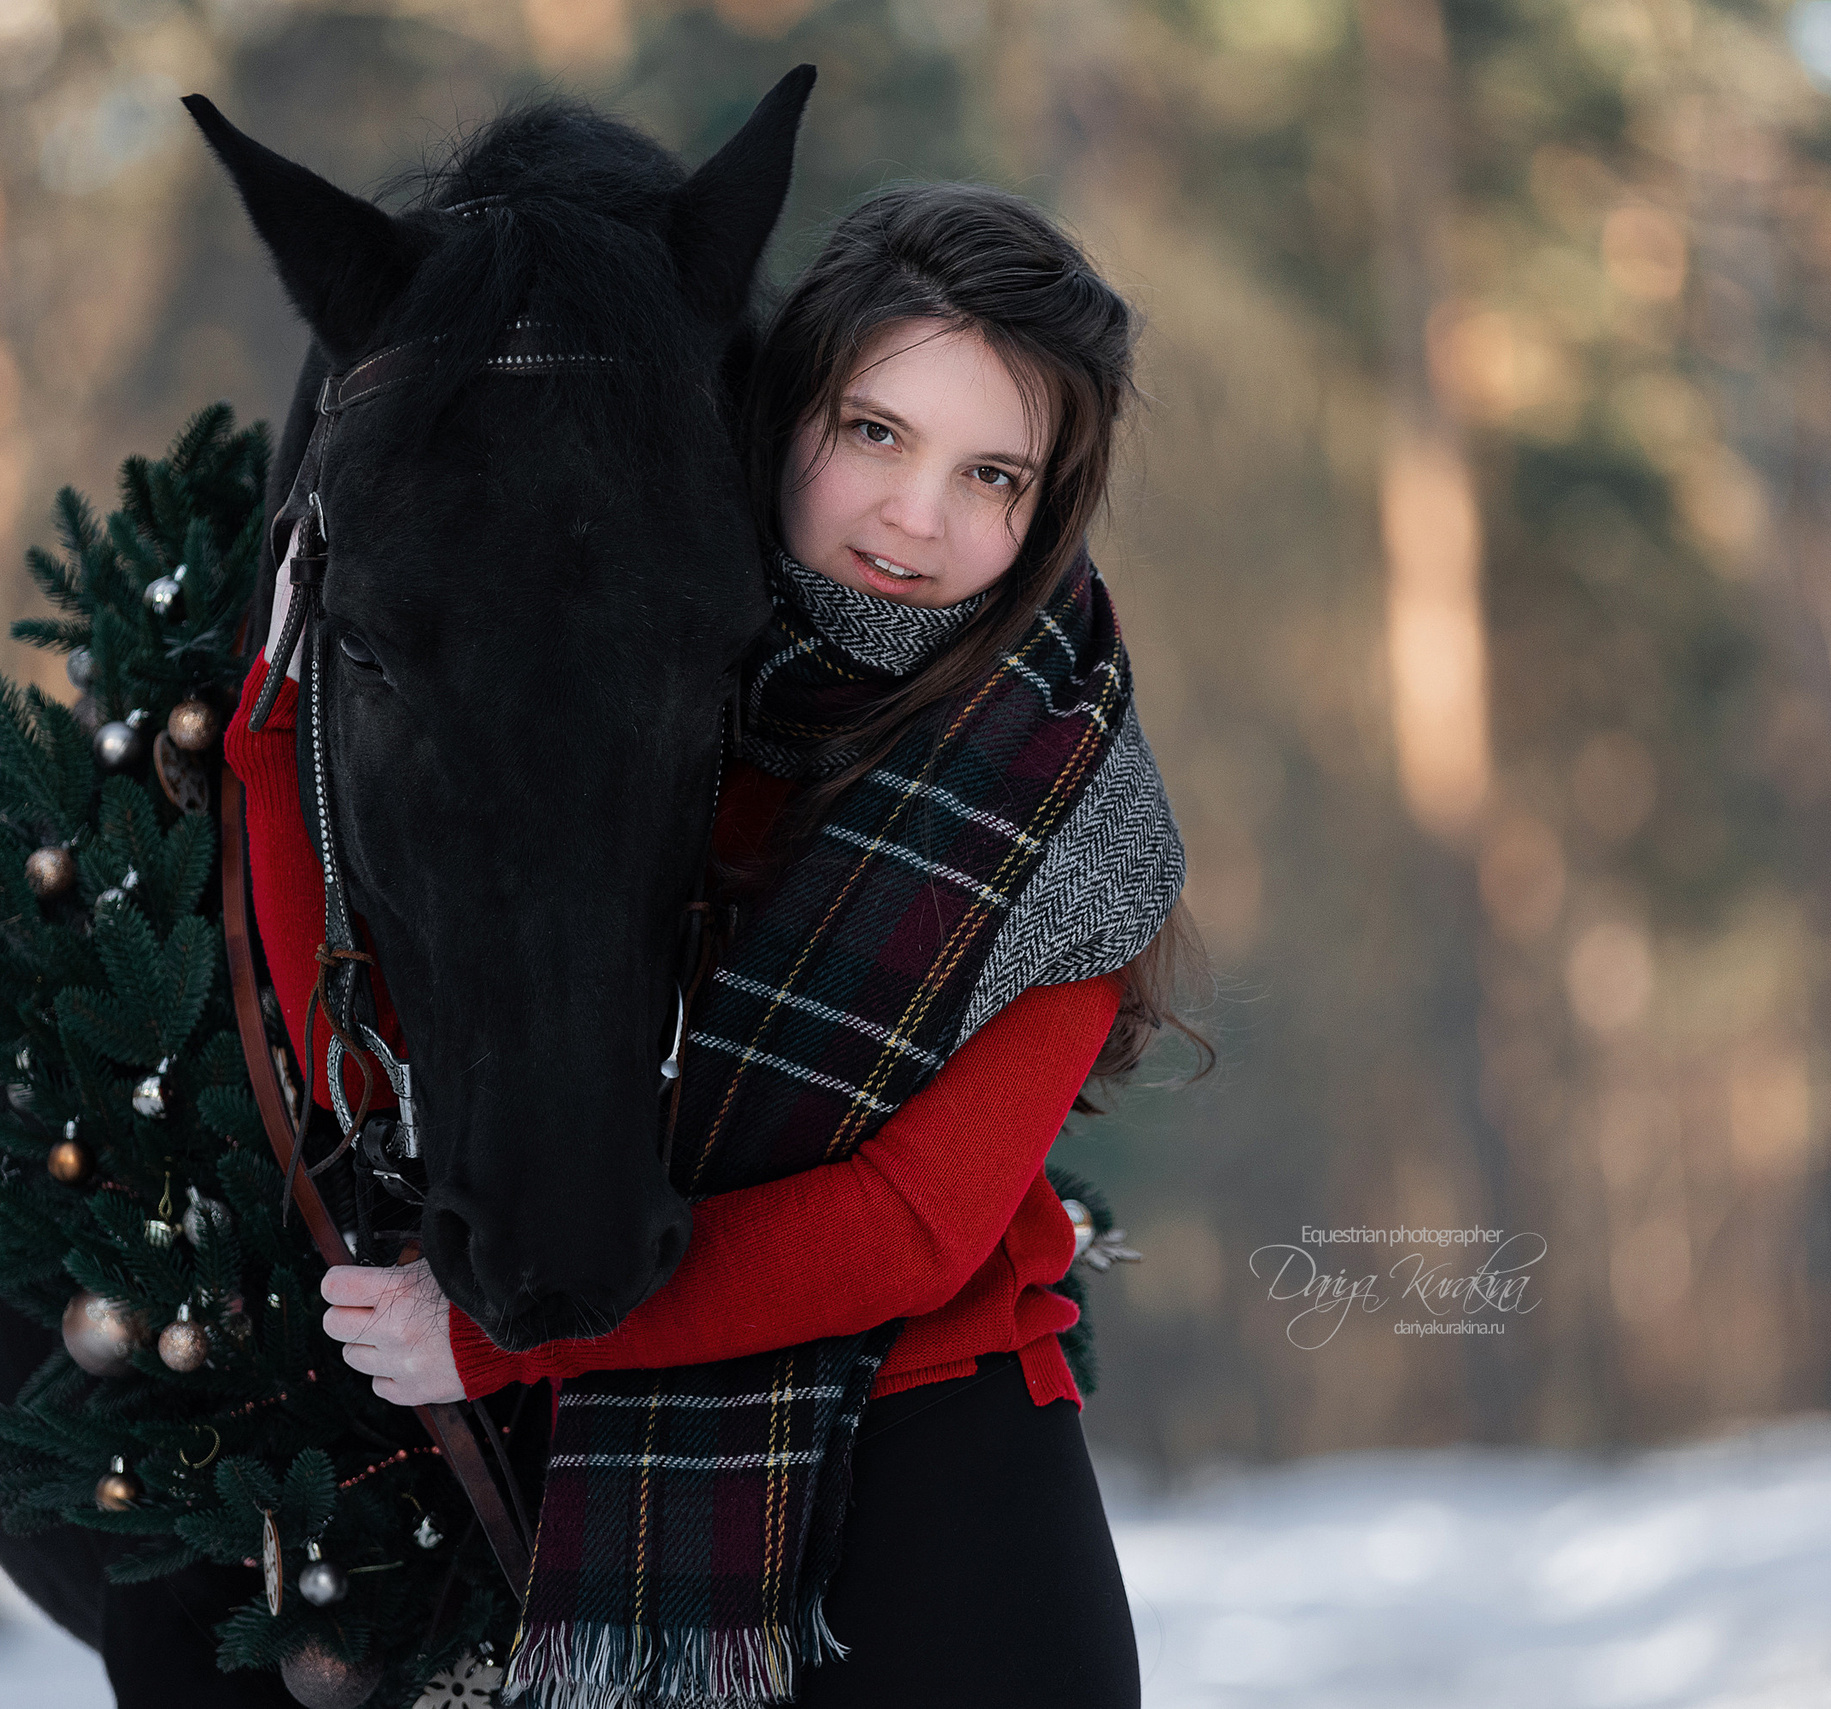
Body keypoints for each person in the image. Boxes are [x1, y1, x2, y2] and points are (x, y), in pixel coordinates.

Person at [225, 182, 1204, 1707]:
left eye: (991, 473)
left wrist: (503, 1348)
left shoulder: (1068, 806)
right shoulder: (626, 667)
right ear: (778, 412)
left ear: (1048, 506)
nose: (917, 517)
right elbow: (385, 1005)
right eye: (875, 432)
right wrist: (282, 713)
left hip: (937, 1475)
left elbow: (913, 1227)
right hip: (607, 1483)